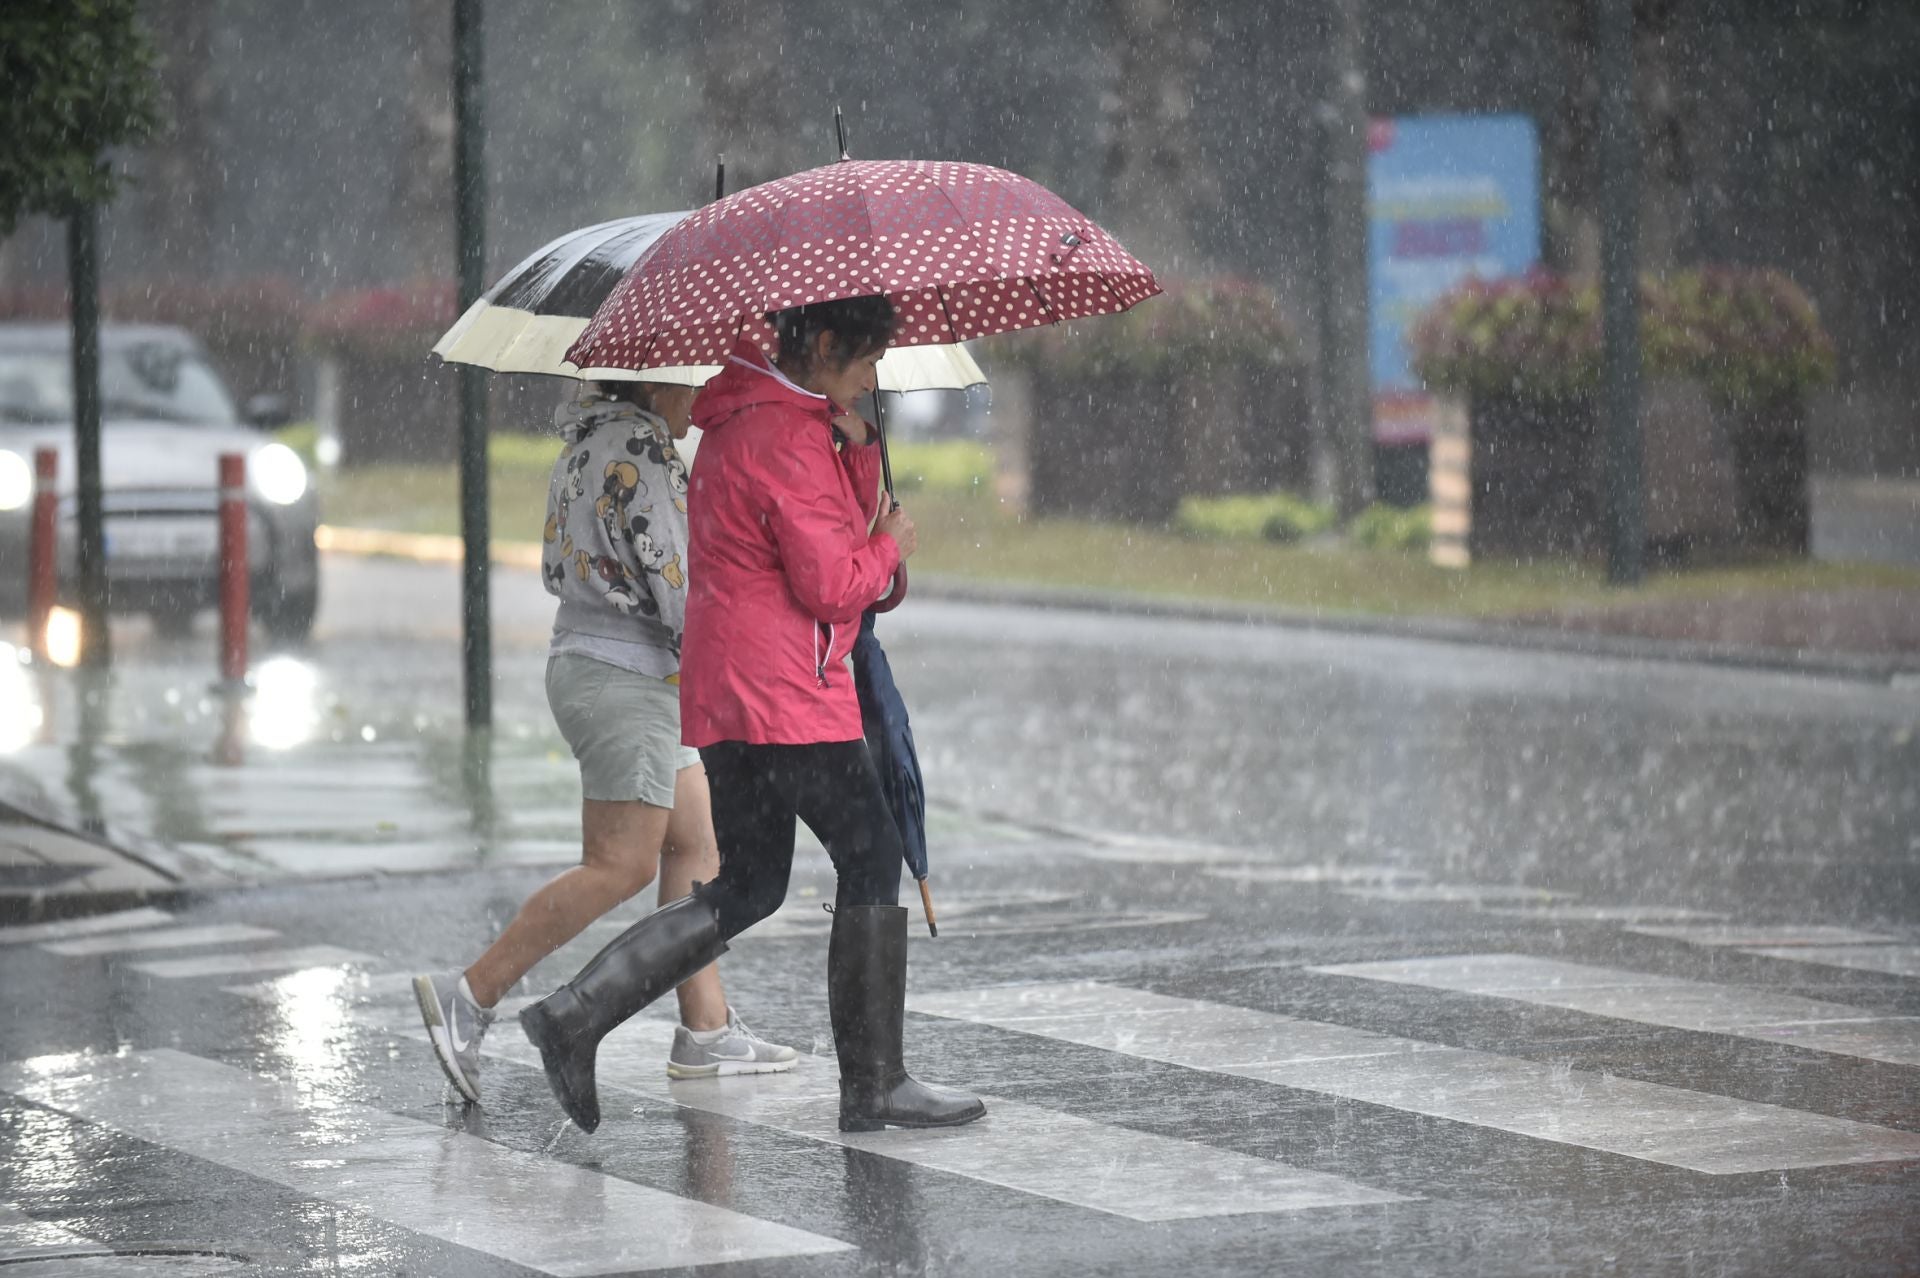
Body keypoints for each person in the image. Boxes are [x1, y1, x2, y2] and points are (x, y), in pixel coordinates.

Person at [519, 295, 985, 1135]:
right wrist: (892, 545)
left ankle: (574, 1016)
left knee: (751, 885)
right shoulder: (785, 436)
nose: (873, 378)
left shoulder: (743, 417)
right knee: (872, 858)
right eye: (867, 361)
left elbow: (822, 538)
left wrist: (860, 448)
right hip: (789, 694)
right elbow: (835, 584)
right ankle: (876, 1084)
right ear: (828, 345)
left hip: (730, 693)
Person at [413, 379, 797, 1106]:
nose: (699, 389)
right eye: (687, 374)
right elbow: (685, 589)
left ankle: (706, 1031)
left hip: (604, 666)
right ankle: (471, 994)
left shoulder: (588, 436)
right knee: (619, 865)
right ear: (650, 376)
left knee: (693, 842)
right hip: (630, 675)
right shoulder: (644, 449)